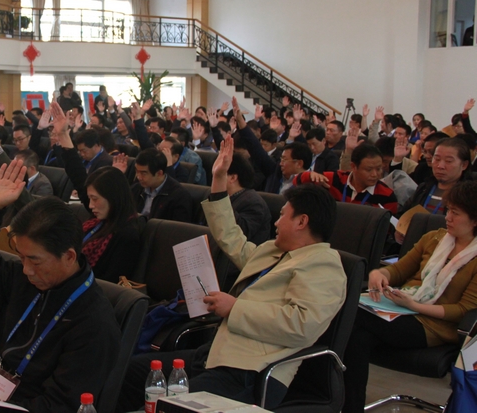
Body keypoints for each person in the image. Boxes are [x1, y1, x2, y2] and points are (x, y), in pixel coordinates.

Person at [118, 139, 346, 411]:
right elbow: (231, 238)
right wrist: (218, 179)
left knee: (169, 406)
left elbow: (301, 325)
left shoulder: (323, 264)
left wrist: (234, 308)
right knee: (132, 372)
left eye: (282, 216)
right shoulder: (274, 251)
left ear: (301, 221)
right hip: (218, 352)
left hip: (252, 370)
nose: (276, 222)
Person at [0, 158, 120, 413]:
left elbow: (59, 406)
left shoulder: (94, 323)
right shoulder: (26, 280)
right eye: (21, 258)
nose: (26, 270)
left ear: (69, 256)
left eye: (35, 260)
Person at [343, 180, 477, 413]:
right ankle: (350, 408)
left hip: (435, 325)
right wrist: (378, 274)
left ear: (474, 220)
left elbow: (464, 310)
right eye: (448, 210)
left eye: (455, 213)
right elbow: (398, 270)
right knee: (357, 337)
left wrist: (415, 305)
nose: (447, 217)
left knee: (348, 312)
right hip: (402, 309)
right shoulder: (434, 238)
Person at [53, 101, 140, 282]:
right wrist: (63, 134)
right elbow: (78, 176)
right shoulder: (102, 216)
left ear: (113, 198)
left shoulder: (127, 234)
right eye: (90, 198)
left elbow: (110, 281)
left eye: (95, 199)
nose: (90, 205)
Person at [297, 143, 399, 213]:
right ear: (353, 167)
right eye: (369, 169)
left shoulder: (387, 196)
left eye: (379, 169)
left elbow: (386, 230)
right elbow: (297, 181)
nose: (375, 174)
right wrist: (310, 176)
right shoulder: (335, 179)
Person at [129, 148, 192, 223]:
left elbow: (177, 228)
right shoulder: (136, 189)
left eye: (143, 173)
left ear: (159, 173)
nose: (138, 177)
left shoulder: (179, 196)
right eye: (137, 171)